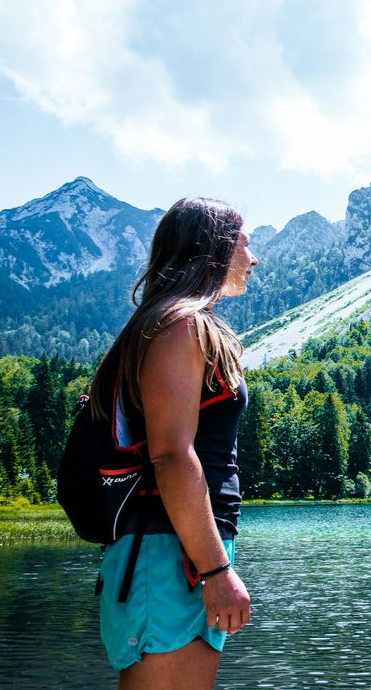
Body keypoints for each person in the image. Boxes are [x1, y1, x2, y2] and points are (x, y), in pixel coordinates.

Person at [89, 197, 257, 688]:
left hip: (179, 552)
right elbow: (171, 454)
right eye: (246, 243)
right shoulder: (181, 326)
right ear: (215, 249)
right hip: (169, 555)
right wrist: (214, 570)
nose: (253, 257)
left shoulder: (178, 323)